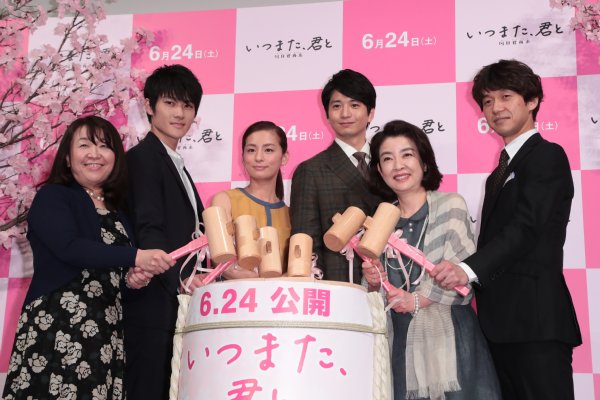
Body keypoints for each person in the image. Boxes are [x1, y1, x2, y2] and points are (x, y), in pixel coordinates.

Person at [431, 59, 582, 400]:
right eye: (487, 101)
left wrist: (466, 269)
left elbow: (526, 227)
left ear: (532, 101)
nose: (496, 108)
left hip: (537, 323)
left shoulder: (547, 155)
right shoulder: (497, 174)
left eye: (506, 96)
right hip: (499, 326)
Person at [1, 116, 173, 400]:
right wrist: (136, 256)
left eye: (105, 146)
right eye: (85, 145)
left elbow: (114, 274)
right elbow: (70, 248)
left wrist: (133, 280)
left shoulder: (119, 212)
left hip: (105, 333)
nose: (95, 153)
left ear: (116, 158)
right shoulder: (53, 197)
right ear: (68, 158)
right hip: (59, 327)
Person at [363, 120, 501, 399]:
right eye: (387, 158)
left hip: (450, 339)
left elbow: (462, 277)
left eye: (407, 154)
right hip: (401, 342)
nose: (398, 165)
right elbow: (377, 295)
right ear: (379, 170)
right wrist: (374, 282)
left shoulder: (451, 205)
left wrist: (417, 300)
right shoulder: (380, 220)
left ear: (424, 162)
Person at [123, 64, 205, 400]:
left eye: (187, 105)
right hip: (152, 302)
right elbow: (149, 228)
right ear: (148, 105)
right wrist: (181, 280)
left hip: (174, 300)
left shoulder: (173, 161)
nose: (180, 113)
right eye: (170, 103)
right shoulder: (143, 158)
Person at [290, 69, 382, 283]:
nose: (345, 113)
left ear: (370, 113)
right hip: (340, 285)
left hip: (392, 284)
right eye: (337, 106)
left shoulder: (389, 165)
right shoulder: (311, 170)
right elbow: (306, 244)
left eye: (354, 105)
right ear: (327, 114)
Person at [211, 121, 290, 279]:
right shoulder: (225, 200)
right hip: (238, 294)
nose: (258, 157)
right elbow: (223, 263)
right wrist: (265, 285)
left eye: (268, 150)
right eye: (251, 150)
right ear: (243, 157)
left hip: (281, 295)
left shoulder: (291, 214)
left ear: (284, 158)